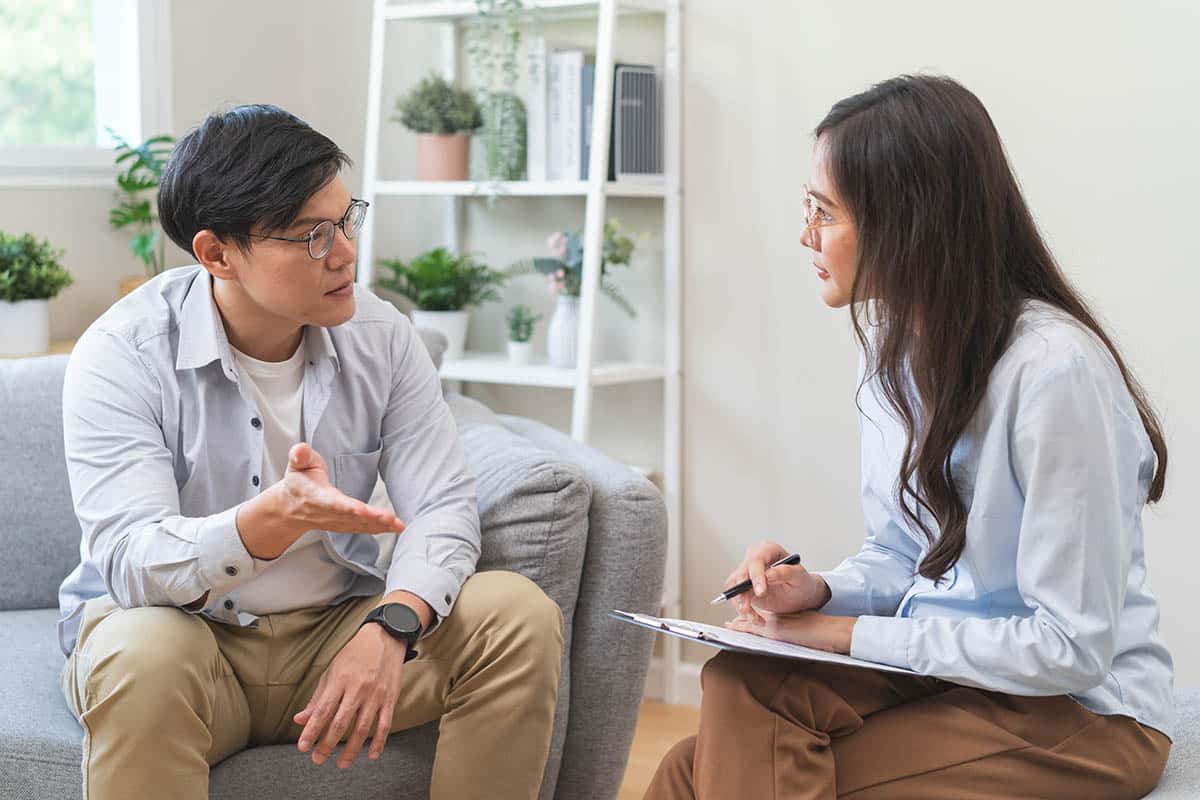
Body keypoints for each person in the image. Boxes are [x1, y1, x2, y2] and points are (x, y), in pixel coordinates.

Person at [646, 75, 1173, 799]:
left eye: (823, 211)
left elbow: (1069, 648)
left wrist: (844, 636)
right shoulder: (892, 349)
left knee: (697, 773)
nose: (805, 233)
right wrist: (819, 593)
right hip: (951, 676)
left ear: (906, 222)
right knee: (736, 684)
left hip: (1084, 713)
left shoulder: (1055, 373)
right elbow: (905, 557)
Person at [56, 104, 562, 800]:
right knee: (143, 652)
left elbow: (441, 507)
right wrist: (268, 523)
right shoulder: (122, 354)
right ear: (216, 253)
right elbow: (130, 562)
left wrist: (392, 625)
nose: (347, 252)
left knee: (516, 613)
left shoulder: (384, 337)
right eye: (313, 237)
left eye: (346, 218)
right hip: (190, 639)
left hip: (336, 632)